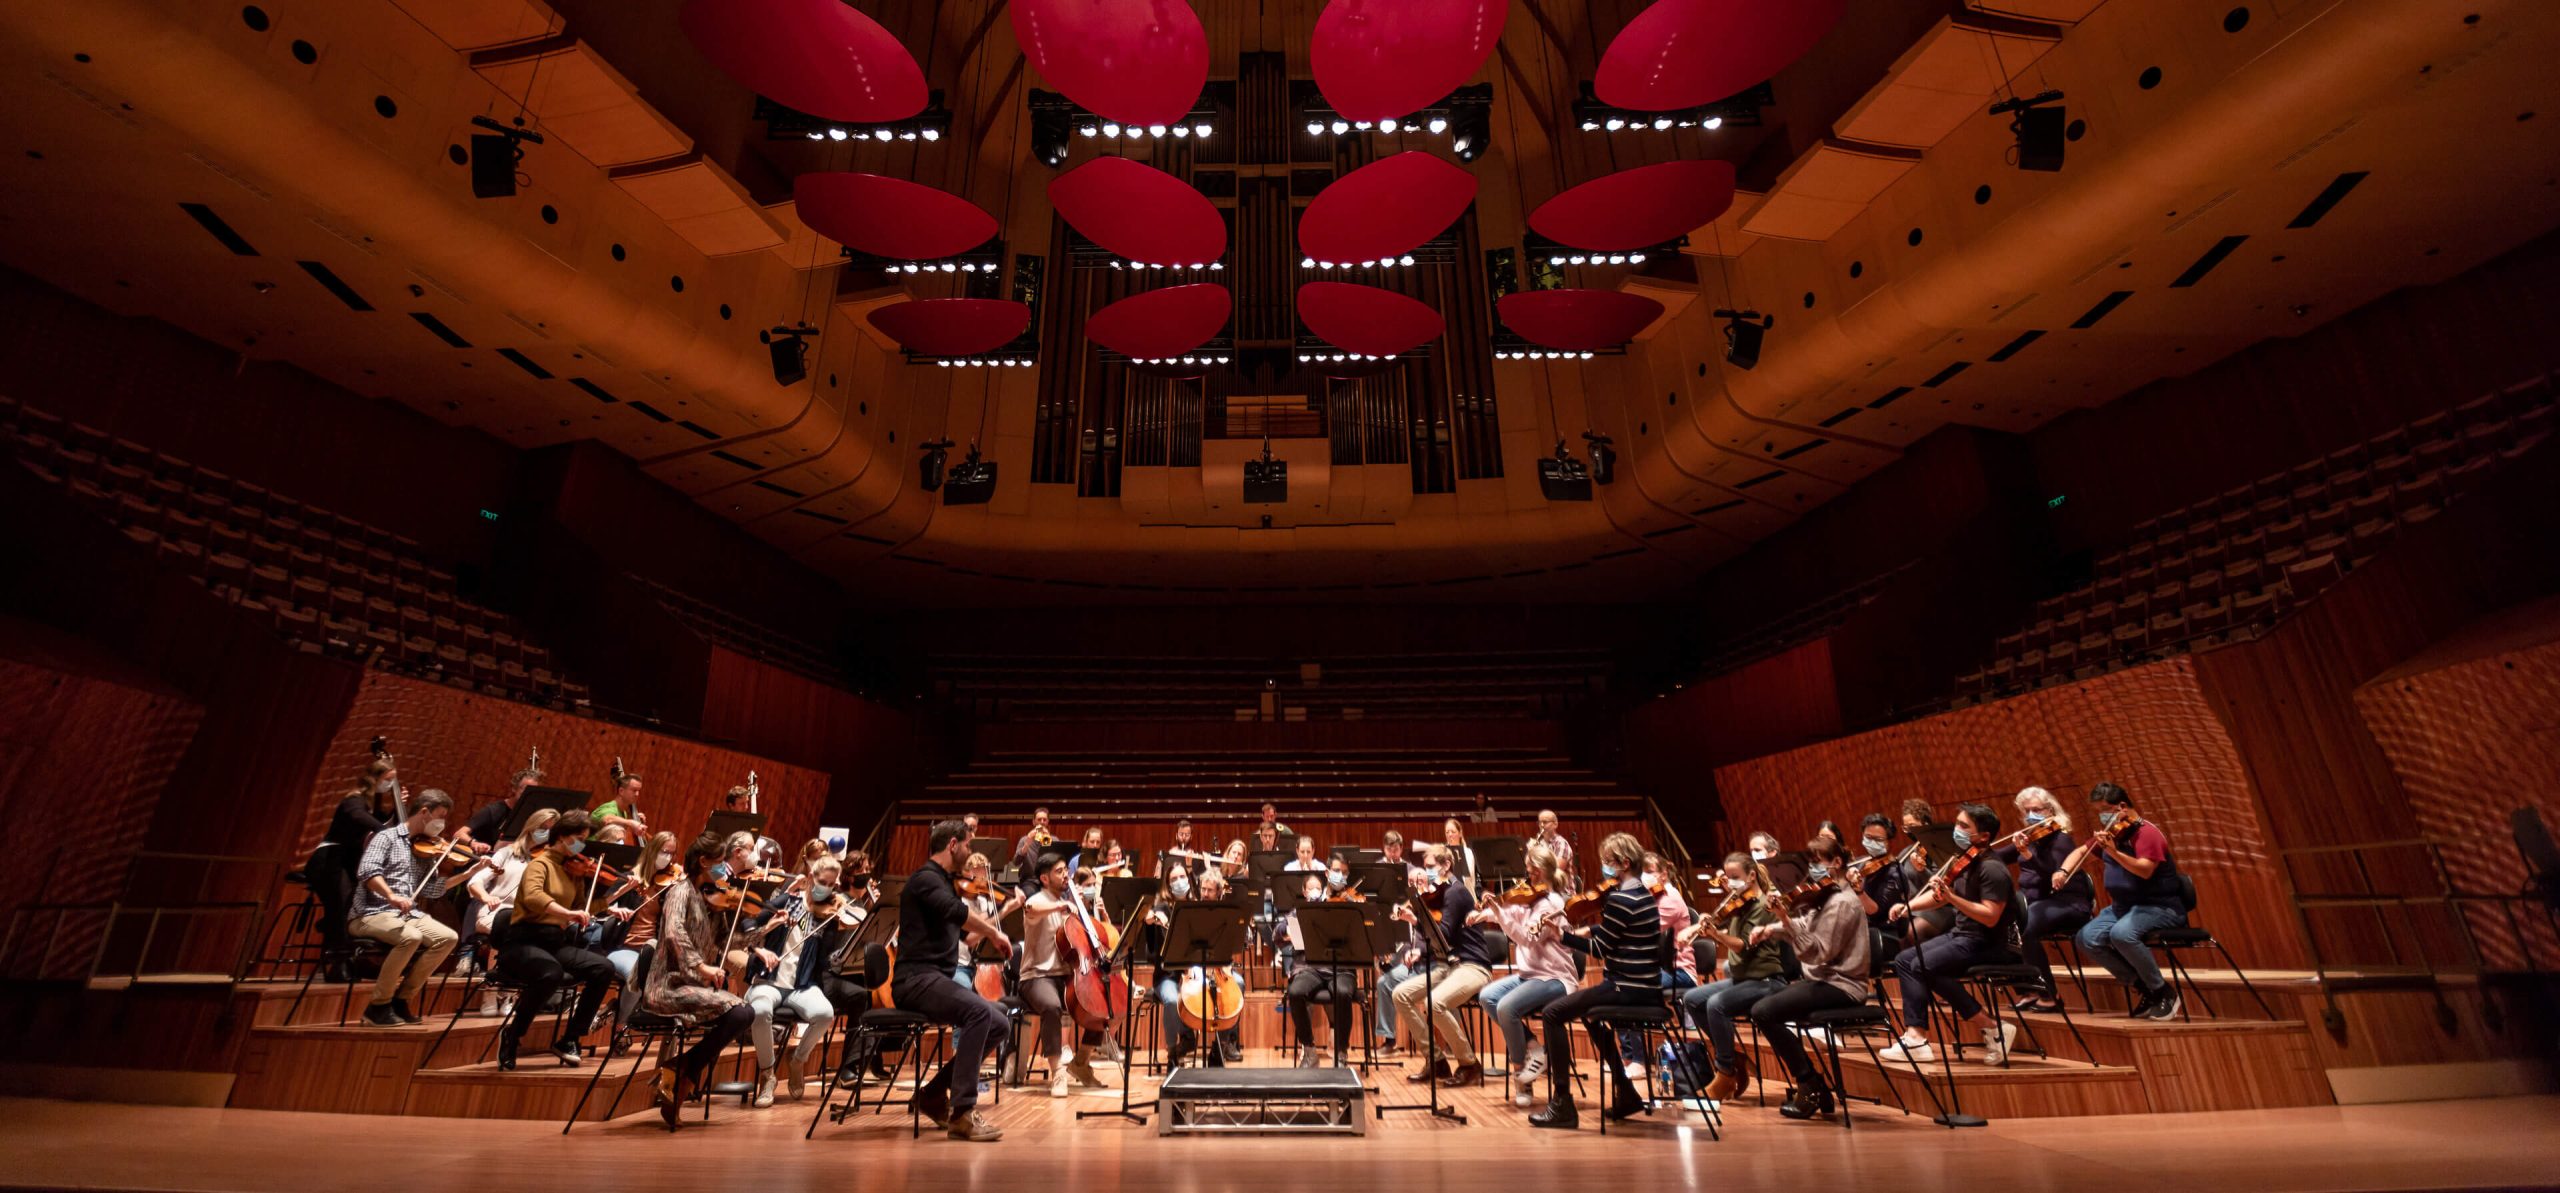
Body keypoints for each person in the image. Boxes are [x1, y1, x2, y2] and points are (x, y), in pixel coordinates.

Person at [1532, 833, 1661, 1129]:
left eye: (1608, 862)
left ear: (1624, 863)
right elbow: (1616, 933)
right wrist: (1590, 930)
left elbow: (1601, 951)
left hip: (1625, 987)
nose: (1604, 866)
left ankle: (1562, 1104)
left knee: (1553, 1014)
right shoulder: (1642, 894)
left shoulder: (1620, 899)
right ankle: (1626, 1091)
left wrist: (1561, 936)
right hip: (1646, 986)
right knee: (1591, 1017)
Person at [896, 819, 1015, 1140]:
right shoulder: (926, 879)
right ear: (952, 844)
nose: (969, 850)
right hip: (915, 980)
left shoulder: (944, 882)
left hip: (935, 980)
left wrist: (999, 920)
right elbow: (955, 912)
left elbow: (965, 935)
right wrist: (994, 932)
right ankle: (962, 1113)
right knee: (977, 1013)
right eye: (968, 845)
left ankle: (933, 1094)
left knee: (999, 1023)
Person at [1880, 803, 2023, 1065]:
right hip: (1964, 934)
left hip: (1991, 941)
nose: (1956, 830)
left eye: (1963, 826)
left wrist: (1953, 898)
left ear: (1983, 837)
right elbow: (1939, 898)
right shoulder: (1963, 860)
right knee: (1904, 960)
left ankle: (1992, 1026)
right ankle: (1916, 1038)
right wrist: (1907, 907)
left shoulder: (1992, 868)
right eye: (1957, 823)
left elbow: (1990, 916)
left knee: (1923, 965)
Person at [1748, 840, 1872, 1121]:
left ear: (1836, 862)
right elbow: (1805, 927)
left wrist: (1784, 919)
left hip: (1843, 985)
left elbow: (1817, 952)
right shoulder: (1827, 896)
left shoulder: (1842, 902)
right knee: (1763, 1008)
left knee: (1764, 1011)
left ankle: (1810, 1084)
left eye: (1817, 861)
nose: (1812, 869)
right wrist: (1772, 929)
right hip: (1823, 980)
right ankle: (1813, 1085)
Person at [643, 832, 756, 1130]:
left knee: (743, 1012)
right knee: (741, 1011)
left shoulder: (709, 897)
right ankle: (683, 1072)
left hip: (693, 987)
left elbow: (727, 940)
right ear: (703, 861)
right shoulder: (680, 891)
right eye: (720, 863)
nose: (724, 871)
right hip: (667, 987)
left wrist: (768, 926)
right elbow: (673, 933)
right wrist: (703, 967)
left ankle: (681, 1068)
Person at [348, 789, 485, 1026]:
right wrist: (391, 896)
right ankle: (378, 1006)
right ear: (424, 812)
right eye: (440, 816)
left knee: (448, 937)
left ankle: (401, 1000)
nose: (442, 824)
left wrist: (469, 874)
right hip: (370, 913)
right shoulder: (386, 837)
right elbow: (367, 872)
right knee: (410, 937)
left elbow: (432, 889)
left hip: (406, 914)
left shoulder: (425, 849)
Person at [497, 810, 618, 1071]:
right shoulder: (539, 864)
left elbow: (582, 907)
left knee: (603, 968)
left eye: (585, 839)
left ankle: (570, 1038)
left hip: (555, 943)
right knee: (549, 973)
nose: (582, 844)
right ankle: (513, 1034)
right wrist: (566, 913)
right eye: (578, 837)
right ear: (561, 836)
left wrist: (611, 898)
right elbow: (532, 897)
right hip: (522, 941)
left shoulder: (574, 871)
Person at [2066, 782, 2188, 1019]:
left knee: (2122, 934)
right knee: (2086, 938)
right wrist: (2062, 871)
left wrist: (2112, 852)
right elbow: (2081, 850)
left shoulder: (2147, 833)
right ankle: (2143, 987)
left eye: (2105, 810)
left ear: (2121, 806)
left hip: (2159, 906)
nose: (2102, 818)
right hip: (2123, 907)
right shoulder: (2115, 833)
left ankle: (2163, 991)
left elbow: (2144, 871)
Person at [1678, 853, 1784, 1101]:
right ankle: (1734, 1058)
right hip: (1743, 979)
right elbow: (1721, 925)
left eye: (1735, 877)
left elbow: (1742, 946)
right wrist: (1698, 926)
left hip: (1766, 980)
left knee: (1717, 1005)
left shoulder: (1764, 904)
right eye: (1728, 877)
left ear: (1752, 876)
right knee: (1692, 998)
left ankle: (1725, 1072)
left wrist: (1716, 936)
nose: (1730, 882)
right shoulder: (1740, 903)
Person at [1477, 841, 1574, 1105]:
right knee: (1488, 997)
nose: (1527, 875)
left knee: (1507, 1008)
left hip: (1555, 977)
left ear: (1544, 871)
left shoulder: (1551, 903)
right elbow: (1511, 910)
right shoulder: (1531, 898)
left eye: (1532, 870)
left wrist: (1498, 913)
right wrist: (1485, 912)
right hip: (1530, 975)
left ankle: (1521, 1075)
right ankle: (1533, 1047)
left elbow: (1526, 939)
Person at [741, 854, 841, 1105]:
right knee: (761, 1010)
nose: (826, 888)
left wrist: (835, 932)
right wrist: (761, 944)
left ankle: (798, 1060)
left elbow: (825, 961)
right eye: (822, 881)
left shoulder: (827, 915)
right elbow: (749, 921)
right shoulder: (789, 901)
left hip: (801, 985)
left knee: (825, 1013)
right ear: (810, 878)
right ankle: (768, 1075)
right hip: (769, 981)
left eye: (831, 884)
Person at [1392, 843, 1491, 1086]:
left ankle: (1469, 1064)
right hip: (1450, 966)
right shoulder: (1442, 893)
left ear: (1446, 865)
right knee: (1400, 994)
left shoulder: (1456, 892)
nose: (1427, 872)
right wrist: (1416, 938)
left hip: (1472, 965)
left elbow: (1443, 933)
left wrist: (1415, 919)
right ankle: (1436, 1061)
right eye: (1425, 867)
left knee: (1433, 1004)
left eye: (1431, 867)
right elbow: (1438, 940)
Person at [1014, 851, 1111, 1096]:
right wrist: (1062, 904)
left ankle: (1081, 1062)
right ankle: (1058, 1071)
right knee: (1051, 1005)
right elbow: (1030, 906)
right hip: (1037, 977)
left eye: (1065, 870)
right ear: (1045, 879)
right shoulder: (1040, 901)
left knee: (1104, 999)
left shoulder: (1071, 905)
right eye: (1059, 872)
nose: (1065, 875)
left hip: (1067, 975)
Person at [308, 757, 399, 982]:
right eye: (388, 780)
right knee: (342, 904)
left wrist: (399, 808)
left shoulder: (373, 806)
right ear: (376, 778)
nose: (389, 785)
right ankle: (339, 961)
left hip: (347, 862)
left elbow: (386, 824)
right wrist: (386, 833)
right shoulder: (354, 800)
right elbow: (361, 819)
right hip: (328, 860)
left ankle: (338, 939)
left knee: (348, 907)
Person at [2005, 786, 2093, 1012]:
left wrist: (2026, 855)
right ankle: (2028, 989)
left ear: (2050, 810)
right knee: (1997, 923)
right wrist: (1975, 855)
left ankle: (2050, 994)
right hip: (2040, 904)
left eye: (2037, 809)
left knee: (2024, 926)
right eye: (2027, 811)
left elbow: (2052, 876)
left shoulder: (2060, 840)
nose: (2031, 815)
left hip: (2067, 902)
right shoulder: (2033, 838)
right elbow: (1998, 856)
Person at [1619, 851, 1695, 1079]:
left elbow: (1642, 933)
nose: (1645, 877)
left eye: (1650, 872)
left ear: (1664, 874)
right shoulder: (1651, 897)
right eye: (1642, 872)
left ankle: (1639, 1060)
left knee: (1630, 989)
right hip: (1658, 970)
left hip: (1679, 972)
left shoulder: (1670, 899)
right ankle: (1630, 1058)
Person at [466, 807, 558, 992]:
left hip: (528, 916)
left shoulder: (549, 861)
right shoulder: (508, 854)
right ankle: (493, 991)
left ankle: (515, 991)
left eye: (551, 830)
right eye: (543, 827)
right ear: (531, 827)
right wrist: (486, 897)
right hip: (497, 911)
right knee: (510, 927)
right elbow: (476, 881)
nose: (546, 834)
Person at [1282, 872, 1359, 1066]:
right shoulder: (1297, 912)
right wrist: (1286, 930)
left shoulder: (1336, 907)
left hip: (1340, 968)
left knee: (1342, 992)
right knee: (1295, 992)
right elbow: (1279, 932)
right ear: (1304, 892)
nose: (1314, 891)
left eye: (1318, 887)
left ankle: (1341, 1053)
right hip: (1310, 968)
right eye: (1310, 888)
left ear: (1323, 889)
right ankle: (1309, 1050)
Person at [463, 763, 540, 849]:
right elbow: (459, 834)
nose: (529, 794)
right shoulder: (493, 810)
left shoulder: (528, 815)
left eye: (533, 791)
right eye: (525, 789)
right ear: (514, 788)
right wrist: (474, 843)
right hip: (480, 857)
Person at [588, 767, 647, 844]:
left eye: (638, 791)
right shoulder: (609, 807)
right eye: (634, 790)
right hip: (589, 851)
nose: (637, 794)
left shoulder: (624, 813)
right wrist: (631, 823)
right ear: (621, 791)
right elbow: (607, 820)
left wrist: (637, 823)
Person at [1532, 809, 1576, 890]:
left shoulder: (1561, 844)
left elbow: (1556, 872)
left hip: (1563, 892)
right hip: (1545, 890)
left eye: (1545, 822)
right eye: (1539, 822)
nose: (1541, 825)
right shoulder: (1539, 844)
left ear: (1555, 824)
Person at [1011, 806, 1055, 876]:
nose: (1042, 822)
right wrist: (1027, 844)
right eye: (1039, 819)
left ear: (1048, 822)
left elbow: (1058, 861)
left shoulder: (1055, 840)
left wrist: (1048, 842)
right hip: (1030, 879)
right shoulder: (1024, 840)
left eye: (1044, 820)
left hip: (1049, 879)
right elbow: (1016, 863)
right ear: (1034, 822)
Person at [1441, 818, 1477, 890]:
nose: (1450, 835)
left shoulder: (1467, 852)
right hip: (1448, 892)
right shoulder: (1442, 853)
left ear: (1460, 833)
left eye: (1453, 832)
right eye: (1447, 832)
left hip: (1465, 892)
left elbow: (1468, 877)